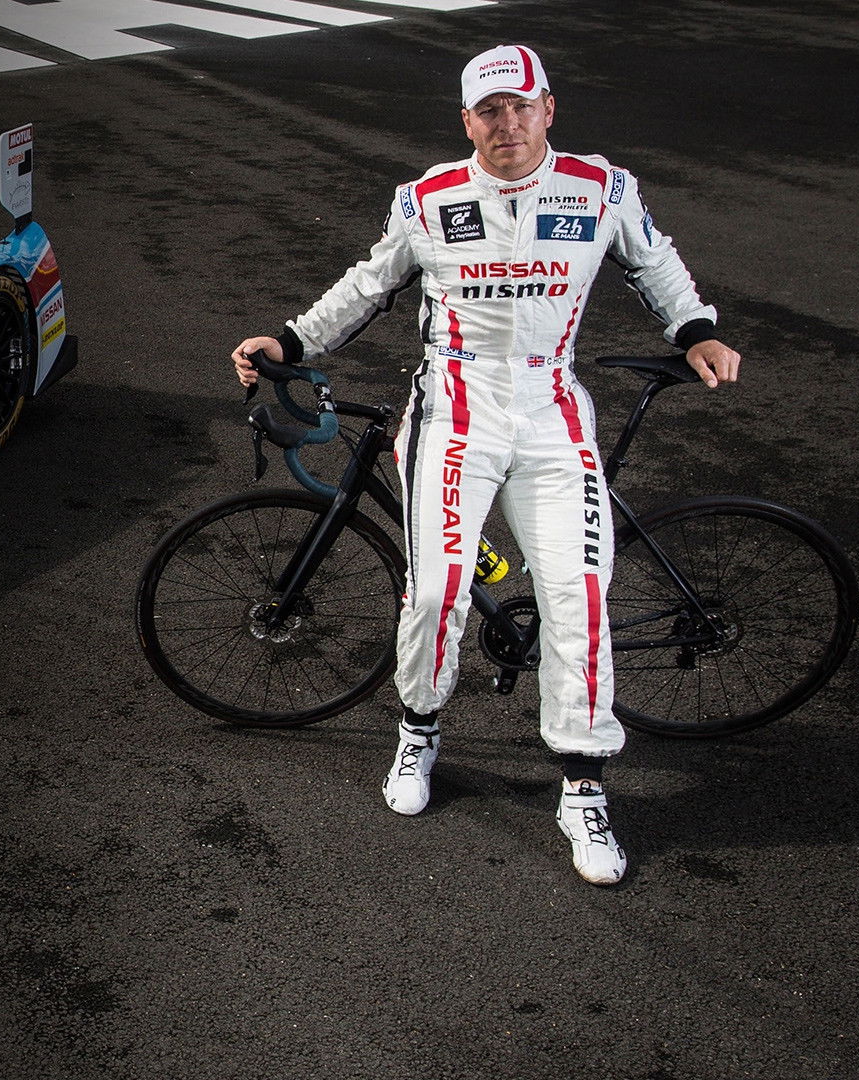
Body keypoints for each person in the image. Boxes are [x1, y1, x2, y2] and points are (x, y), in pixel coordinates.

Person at [230, 44, 741, 885]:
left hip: (551, 409)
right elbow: (366, 287)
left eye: (521, 106)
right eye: (488, 111)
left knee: (577, 597)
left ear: (549, 108)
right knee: (434, 586)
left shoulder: (603, 187)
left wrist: (696, 330)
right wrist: (287, 340)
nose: (507, 124)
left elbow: (656, 262)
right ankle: (418, 732)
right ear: (466, 120)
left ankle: (582, 788)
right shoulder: (426, 199)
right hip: (453, 409)